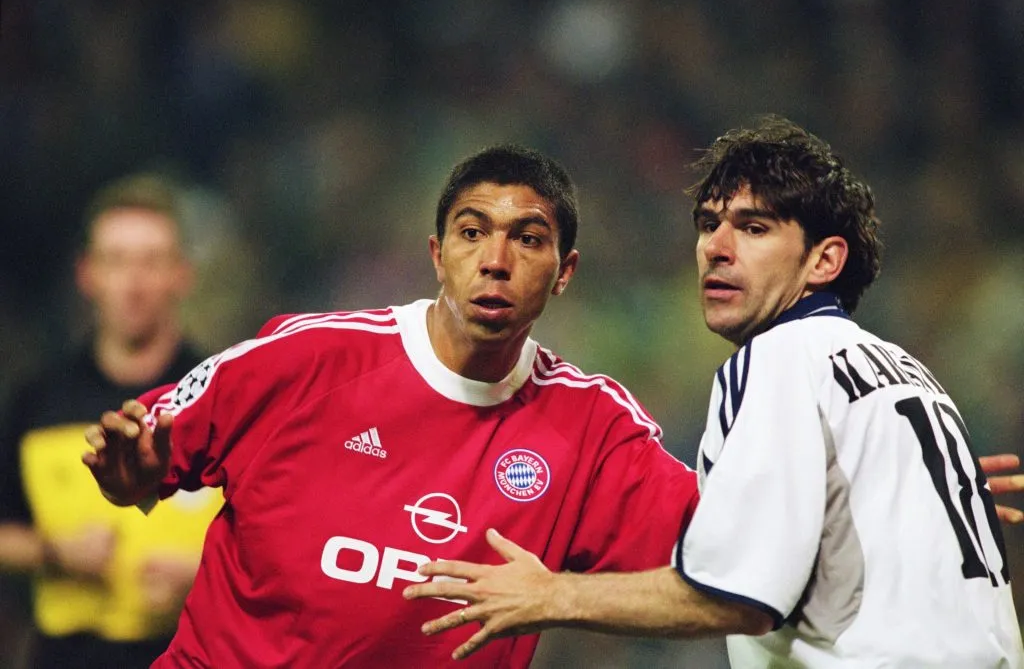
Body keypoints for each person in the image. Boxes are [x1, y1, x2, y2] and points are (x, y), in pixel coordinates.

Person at [405, 119, 1024, 668]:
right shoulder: (909, 371)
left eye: (753, 228)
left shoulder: (780, 358)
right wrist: (887, 489)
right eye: (708, 225)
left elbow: (743, 595)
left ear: (824, 260)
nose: (716, 249)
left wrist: (549, 595)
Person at [80, 145, 703, 668]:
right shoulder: (305, 359)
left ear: (564, 271)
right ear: (438, 254)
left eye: (528, 239)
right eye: (472, 232)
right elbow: (141, 464)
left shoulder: (591, 429)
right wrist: (127, 475)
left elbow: (726, 571)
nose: (495, 261)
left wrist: (561, 597)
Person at [0, 173, 223, 669]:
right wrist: (53, 554)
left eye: (150, 262)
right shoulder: (38, 401)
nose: (133, 283)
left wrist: (205, 575)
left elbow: (273, 542)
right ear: (87, 274)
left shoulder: (221, 396)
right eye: (116, 261)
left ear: (181, 274)